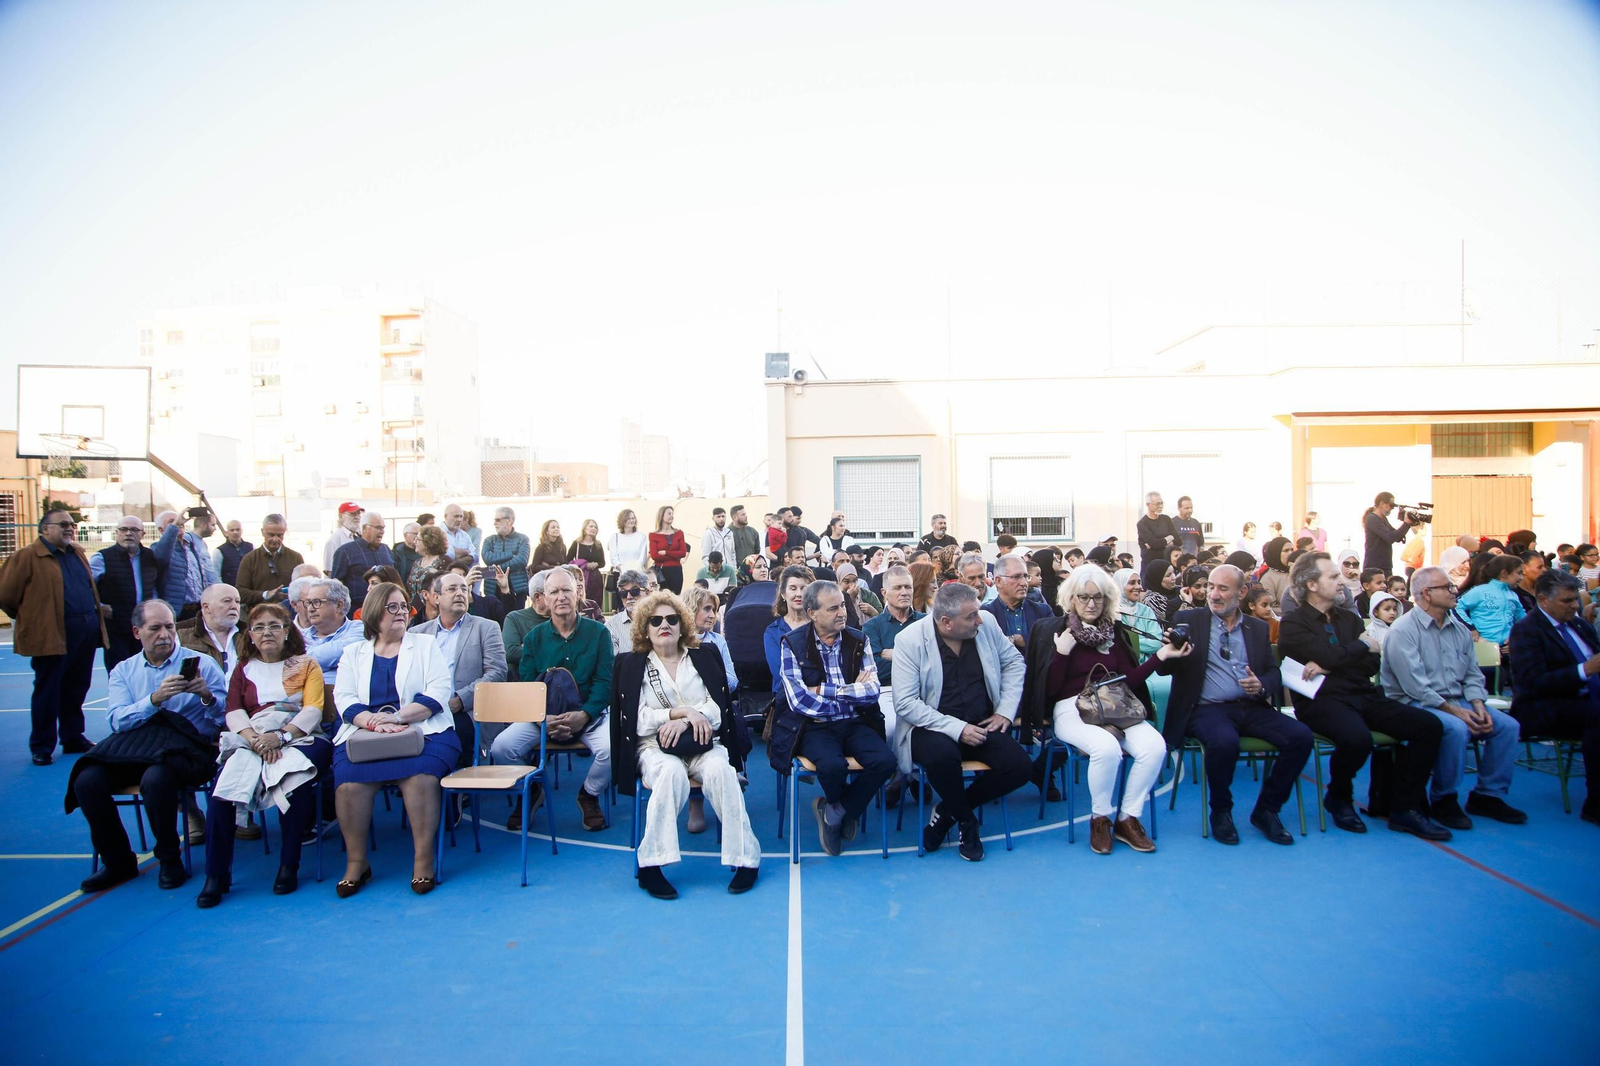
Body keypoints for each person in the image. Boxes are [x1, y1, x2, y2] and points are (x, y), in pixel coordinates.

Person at [1278, 554, 1449, 839]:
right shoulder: (1293, 622)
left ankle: (1403, 807)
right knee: (1357, 739)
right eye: (1332, 577)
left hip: (1362, 693)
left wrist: (1331, 662)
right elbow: (1342, 652)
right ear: (1312, 585)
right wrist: (1355, 648)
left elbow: (1372, 662)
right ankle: (1339, 797)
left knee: (1428, 726)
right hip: (1320, 700)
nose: (1341, 580)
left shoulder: (1349, 618)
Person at [1030, 565, 1191, 854]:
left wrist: (1161, 656)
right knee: (1106, 748)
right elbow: (1050, 692)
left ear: (1107, 600)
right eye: (1083, 597)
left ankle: (1128, 818)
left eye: (1098, 597)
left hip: (1114, 704)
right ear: (1071, 599)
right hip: (1072, 708)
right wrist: (1062, 654)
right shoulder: (1056, 631)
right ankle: (1100, 818)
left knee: (1155, 746)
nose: (1091, 604)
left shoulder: (1114, 632)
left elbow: (1129, 680)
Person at [611, 591, 760, 898]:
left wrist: (688, 719)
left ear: (682, 624)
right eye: (656, 621)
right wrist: (675, 713)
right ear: (645, 628)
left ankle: (746, 859)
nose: (664, 625)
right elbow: (636, 720)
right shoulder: (631, 665)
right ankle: (651, 864)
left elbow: (718, 708)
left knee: (723, 772)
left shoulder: (704, 657)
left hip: (703, 742)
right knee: (671, 775)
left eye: (671, 619)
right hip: (654, 746)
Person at [68, 600, 224, 891]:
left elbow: (224, 720)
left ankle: (168, 858)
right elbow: (117, 721)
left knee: (156, 779)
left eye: (169, 626)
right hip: (135, 749)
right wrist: (154, 700)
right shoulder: (123, 671)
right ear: (137, 632)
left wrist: (206, 696)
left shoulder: (202, 664)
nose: (165, 634)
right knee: (86, 781)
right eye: (155, 628)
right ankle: (118, 862)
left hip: (186, 750)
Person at [1156, 564, 1311, 846]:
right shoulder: (1188, 619)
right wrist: (1170, 653)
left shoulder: (1257, 628)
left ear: (1241, 593)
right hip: (1205, 709)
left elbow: (1273, 672)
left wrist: (1261, 685)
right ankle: (1221, 812)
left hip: (1250, 707)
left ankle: (1267, 810)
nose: (1213, 594)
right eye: (1210, 587)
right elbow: (1165, 671)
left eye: (1222, 588)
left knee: (1301, 737)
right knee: (1224, 742)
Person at [197, 603, 333, 906]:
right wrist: (255, 739)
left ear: (287, 631)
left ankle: (289, 865)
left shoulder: (306, 664)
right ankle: (216, 875)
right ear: (250, 635)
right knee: (222, 791)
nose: (266, 632)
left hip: (300, 736)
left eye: (274, 625)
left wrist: (280, 737)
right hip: (253, 738)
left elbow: (313, 710)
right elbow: (233, 711)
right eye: (258, 627)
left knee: (294, 783)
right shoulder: (243, 668)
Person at [329, 582, 456, 896]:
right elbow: (343, 697)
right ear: (375, 612)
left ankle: (423, 861)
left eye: (404, 607)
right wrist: (372, 721)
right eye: (393, 607)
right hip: (365, 733)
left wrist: (398, 717)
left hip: (425, 731)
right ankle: (357, 863)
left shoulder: (426, 645)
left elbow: (440, 691)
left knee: (421, 777)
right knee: (349, 783)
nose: (401, 613)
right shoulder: (353, 653)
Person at [890, 582, 1030, 860]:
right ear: (946, 622)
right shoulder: (910, 641)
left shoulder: (986, 623)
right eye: (971, 616)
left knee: (1020, 767)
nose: (980, 619)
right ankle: (967, 822)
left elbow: (1014, 662)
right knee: (943, 756)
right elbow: (905, 703)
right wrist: (957, 728)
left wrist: (1004, 711)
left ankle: (947, 812)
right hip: (931, 726)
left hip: (982, 722)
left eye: (977, 612)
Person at [1382, 567, 1526, 828]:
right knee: (1456, 728)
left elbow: (1472, 675)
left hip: (1458, 700)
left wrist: (1478, 705)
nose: (1454, 590)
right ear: (1426, 593)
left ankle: (1487, 796)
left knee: (1507, 726)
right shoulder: (1403, 630)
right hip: (1415, 704)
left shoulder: (1458, 629)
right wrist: (1458, 712)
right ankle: (1443, 799)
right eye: (1447, 587)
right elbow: (1416, 687)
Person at [773, 581, 895, 856]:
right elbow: (799, 700)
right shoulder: (791, 644)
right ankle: (846, 809)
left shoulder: (858, 639)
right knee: (831, 766)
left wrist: (828, 691)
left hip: (855, 721)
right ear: (812, 613)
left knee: (885, 761)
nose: (842, 612)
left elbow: (872, 690)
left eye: (842, 605)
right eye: (833, 608)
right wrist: (850, 694)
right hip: (815, 726)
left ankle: (835, 812)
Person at [491, 568, 615, 831]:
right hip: (543, 718)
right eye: (554, 592)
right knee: (501, 747)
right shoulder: (534, 638)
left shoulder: (599, 633)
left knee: (614, 748)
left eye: (567, 590)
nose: (561, 597)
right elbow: (527, 686)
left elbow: (605, 683)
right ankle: (533, 788)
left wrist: (585, 715)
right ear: (544, 598)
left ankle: (589, 795)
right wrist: (542, 719)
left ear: (577, 593)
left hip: (588, 716)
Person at [0, 509, 109, 764]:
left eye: (72, 524)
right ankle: (42, 745)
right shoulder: (26, 557)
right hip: (51, 636)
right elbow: (6, 596)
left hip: (83, 633)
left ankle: (73, 737)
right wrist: (34, 619)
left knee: (77, 687)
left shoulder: (78, 553)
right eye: (63, 524)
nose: (70, 528)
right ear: (44, 529)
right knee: (48, 691)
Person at [1508, 569, 1600, 825]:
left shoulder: (1580, 624)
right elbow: (1534, 683)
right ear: (1543, 600)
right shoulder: (1526, 630)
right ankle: (1595, 803)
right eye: (1567, 601)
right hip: (1543, 707)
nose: (1574, 605)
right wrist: (1584, 670)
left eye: (1575, 600)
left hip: (1586, 699)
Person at [412, 570, 508, 771]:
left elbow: (497, 673)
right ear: (436, 598)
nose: (460, 593)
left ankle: (455, 791)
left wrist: (460, 700)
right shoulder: (417, 634)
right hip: (424, 709)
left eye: (464, 588)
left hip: (467, 709)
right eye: (452, 589)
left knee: (453, 737)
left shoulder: (486, 628)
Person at [90, 515, 158, 673]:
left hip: (144, 627)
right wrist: (99, 607)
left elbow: (153, 586)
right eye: (123, 529)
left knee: (145, 673)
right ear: (116, 533)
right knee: (119, 674)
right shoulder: (102, 558)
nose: (128, 533)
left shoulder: (150, 557)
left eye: (134, 529)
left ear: (142, 534)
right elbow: (84, 588)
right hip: (116, 628)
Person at [153, 507, 217, 621]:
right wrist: (175, 526)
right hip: (178, 611)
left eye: (179, 520)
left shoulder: (190, 546)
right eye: (172, 521)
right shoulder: (158, 548)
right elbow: (161, 556)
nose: (179, 523)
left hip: (198, 609)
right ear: (162, 530)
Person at [982, 553, 1051, 652]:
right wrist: (1013, 639)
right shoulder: (985, 614)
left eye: (1025, 576)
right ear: (998, 581)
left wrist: (1023, 640)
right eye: (1016, 577)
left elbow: (1051, 645)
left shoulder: (1043, 611)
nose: (1023, 583)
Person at [763, 565, 816, 694]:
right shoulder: (773, 632)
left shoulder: (821, 625)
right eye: (793, 588)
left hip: (823, 696)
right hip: (786, 699)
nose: (799, 594)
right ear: (783, 594)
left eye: (804, 588)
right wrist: (813, 688)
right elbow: (780, 673)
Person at [234, 514, 304, 609]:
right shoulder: (249, 559)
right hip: (259, 616)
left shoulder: (296, 558)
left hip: (289, 615)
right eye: (271, 535)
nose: (275, 539)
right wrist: (266, 595)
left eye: (280, 535)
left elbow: (303, 587)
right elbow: (240, 592)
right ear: (263, 532)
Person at [1456, 554, 1527, 647]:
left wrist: (1515, 638)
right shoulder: (1479, 591)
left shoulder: (1513, 595)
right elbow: (1456, 607)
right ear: (1504, 573)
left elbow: (1523, 621)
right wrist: (1470, 627)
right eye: (1519, 573)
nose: (1522, 577)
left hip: (1507, 649)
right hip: (1483, 647)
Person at [180, 583, 242, 685]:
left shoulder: (249, 634)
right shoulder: (180, 633)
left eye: (238, 602)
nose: (234, 606)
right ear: (206, 607)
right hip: (199, 698)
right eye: (227, 601)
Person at [480, 507, 531, 616]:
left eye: (498, 520)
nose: (494, 523)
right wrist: (510, 554)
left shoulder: (523, 539)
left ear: (509, 521)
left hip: (517, 588)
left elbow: (522, 560)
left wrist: (495, 567)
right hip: (493, 588)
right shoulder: (489, 540)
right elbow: (487, 558)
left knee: (515, 619)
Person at [329, 511, 394, 595]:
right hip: (358, 606)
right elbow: (336, 587)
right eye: (378, 528)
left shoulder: (386, 550)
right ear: (364, 528)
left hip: (385, 605)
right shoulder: (345, 552)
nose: (382, 531)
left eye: (383, 528)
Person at [503, 570, 550, 674]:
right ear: (538, 597)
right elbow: (511, 653)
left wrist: (528, 647)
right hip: (527, 682)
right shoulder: (515, 618)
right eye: (553, 592)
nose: (560, 597)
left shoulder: (562, 619)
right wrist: (552, 648)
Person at [1362, 492, 1421, 575]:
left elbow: (1397, 537)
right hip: (1374, 567)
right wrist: (1406, 523)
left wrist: (1408, 523)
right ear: (1382, 503)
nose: (1392, 508)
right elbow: (1390, 538)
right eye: (1391, 505)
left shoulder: (1382, 519)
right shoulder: (1372, 518)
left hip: (1385, 566)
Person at [1114, 568, 1164, 659]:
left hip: (1147, 666)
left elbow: (1157, 643)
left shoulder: (1146, 611)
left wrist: (1126, 642)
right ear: (1120, 586)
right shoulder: (1111, 612)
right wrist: (1144, 642)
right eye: (1132, 583)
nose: (1138, 587)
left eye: (1139, 582)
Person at [405, 525, 453, 609]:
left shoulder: (444, 561)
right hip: (414, 611)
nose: (414, 541)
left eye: (418, 539)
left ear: (428, 542)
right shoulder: (417, 562)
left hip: (434, 610)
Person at [607, 568, 651, 654]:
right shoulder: (612, 625)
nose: (629, 597)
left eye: (635, 591)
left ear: (647, 592)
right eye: (623, 593)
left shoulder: (659, 619)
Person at [649, 506, 689, 594]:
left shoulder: (679, 533)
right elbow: (654, 555)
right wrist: (674, 555)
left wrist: (666, 552)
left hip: (676, 571)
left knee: (675, 596)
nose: (672, 516)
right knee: (661, 597)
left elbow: (682, 552)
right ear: (661, 515)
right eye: (669, 513)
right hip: (661, 571)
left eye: (672, 514)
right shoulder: (653, 535)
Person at [567, 517, 607, 605]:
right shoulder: (576, 543)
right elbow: (568, 560)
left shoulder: (598, 544)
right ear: (584, 529)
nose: (593, 529)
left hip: (595, 578)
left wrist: (595, 564)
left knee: (596, 601)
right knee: (582, 600)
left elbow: (602, 562)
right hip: (581, 577)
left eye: (595, 527)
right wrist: (582, 564)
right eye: (591, 526)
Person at [1136, 493, 1179, 568]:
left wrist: (1157, 544)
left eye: (1162, 503)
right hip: (1150, 564)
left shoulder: (1166, 519)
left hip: (1167, 563)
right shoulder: (1142, 523)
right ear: (1148, 504)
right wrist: (1169, 538)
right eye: (1157, 504)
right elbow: (1154, 544)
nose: (1161, 506)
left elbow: (1178, 541)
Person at [321, 502, 362, 573]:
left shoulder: (359, 536)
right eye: (352, 514)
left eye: (358, 514)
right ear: (341, 517)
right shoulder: (335, 540)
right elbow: (330, 571)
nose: (357, 517)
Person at [1140, 559, 1178, 626]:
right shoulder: (1152, 600)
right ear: (1157, 578)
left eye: (1173, 572)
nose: (1174, 577)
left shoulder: (1179, 590)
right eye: (1168, 575)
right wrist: (1183, 601)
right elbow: (1170, 621)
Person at [215, 520, 253, 587]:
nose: (235, 532)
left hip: (249, 590)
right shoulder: (219, 551)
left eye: (238, 529)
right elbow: (216, 575)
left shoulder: (251, 547)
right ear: (227, 533)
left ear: (242, 531)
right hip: (230, 592)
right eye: (232, 530)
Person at [1258, 537, 1292, 605]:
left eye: (1292, 550)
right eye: (1286, 550)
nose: (1290, 553)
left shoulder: (1295, 572)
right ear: (1276, 553)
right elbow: (1270, 608)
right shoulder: (1268, 578)